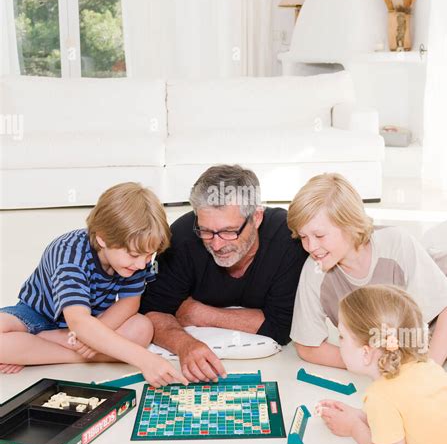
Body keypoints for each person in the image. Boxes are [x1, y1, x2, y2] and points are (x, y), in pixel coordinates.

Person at [0, 182, 187, 387]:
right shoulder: (69, 253)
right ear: (103, 239)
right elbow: (78, 321)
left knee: (142, 327)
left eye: (149, 255)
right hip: (38, 317)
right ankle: (61, 348)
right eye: (134, 255)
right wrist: (143, 358)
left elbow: (129, 303)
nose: (142, 263)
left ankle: (40, 353)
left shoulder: (137, 259)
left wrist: (92, 336)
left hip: (93, 321)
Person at [140, 164, 308, 383]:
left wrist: (199, 314)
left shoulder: (288, 240)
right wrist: (185, 345)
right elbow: (152, 312)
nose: (217, 245)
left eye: (229, 232)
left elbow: (282, 327)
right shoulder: (182, 238)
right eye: (207, 231)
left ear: (256, 217)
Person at [288, 173, 447, 368]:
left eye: (319, 235)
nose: (311, 246)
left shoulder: (397, 243)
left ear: (349, 225)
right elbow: (307, 347)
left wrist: (428, 373)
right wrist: (374, 365)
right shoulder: (315, 269)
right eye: (303, 237)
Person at [318, 285, 447, 444]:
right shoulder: (426, 365)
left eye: (341, 336)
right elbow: (410, 415)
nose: (339, 342)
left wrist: (353, 427)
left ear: (366, 353)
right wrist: (360, 416)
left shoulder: (379, 395)